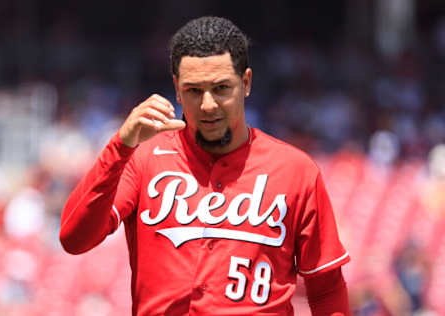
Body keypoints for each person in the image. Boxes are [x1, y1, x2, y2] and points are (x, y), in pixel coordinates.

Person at [60, 16, 351, 315]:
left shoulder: (295, 170)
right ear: (176, 88)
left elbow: (326, 288)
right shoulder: (144, 159)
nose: (208, 104)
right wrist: (121, 144)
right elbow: (75, 238)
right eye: (194, 90)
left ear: (246, 82)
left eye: (221, 87)